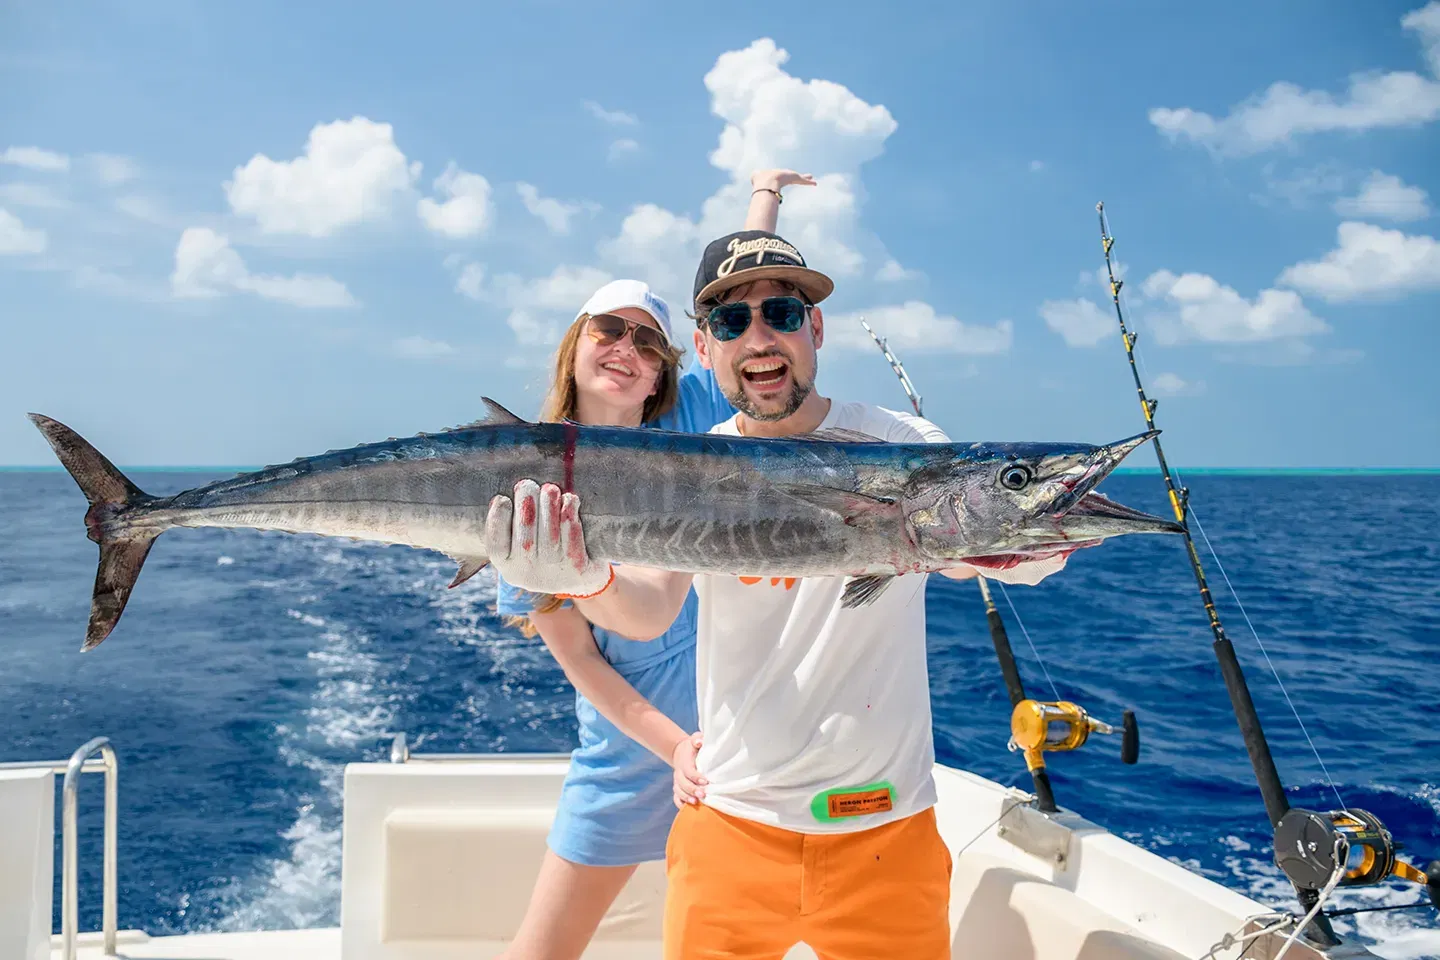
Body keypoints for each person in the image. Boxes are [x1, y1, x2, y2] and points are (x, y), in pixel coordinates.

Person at [485, 227, 1066, 959]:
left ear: (814, 328)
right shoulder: (692, 465)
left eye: (781, 315)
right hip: (729, 828)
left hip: (889, 836)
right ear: (705, 350)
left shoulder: (901, 441)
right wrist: (580, 579)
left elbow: (999, 553)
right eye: (731, 322)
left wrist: (1021, 542)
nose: (758, 337)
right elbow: (648, 611)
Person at [493, 170, 817, 960]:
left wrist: (764, 197)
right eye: (609, 330)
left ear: (670, 371)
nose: (627, 350)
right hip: (632, 759)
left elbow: (732, 298)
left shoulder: (695, 420)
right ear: (574, 349)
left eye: (648, 341)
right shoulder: (527, 493)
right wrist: (673, 746)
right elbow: (579, 661)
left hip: (736, 757)